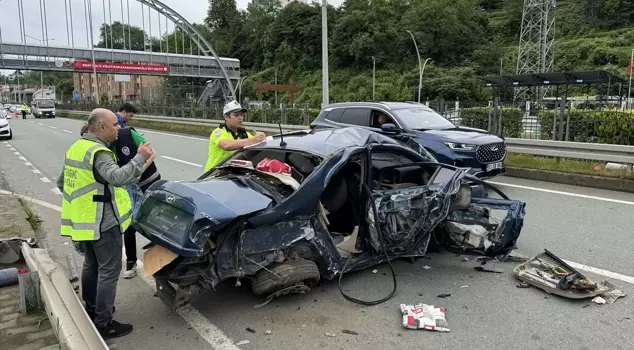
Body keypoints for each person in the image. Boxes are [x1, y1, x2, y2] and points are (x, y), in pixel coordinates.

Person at [56, 108, 156, 339]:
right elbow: (118, 177)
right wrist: (140, 157)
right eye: (114, 124)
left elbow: (62, 183)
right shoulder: (99, 152)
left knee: (91, 265)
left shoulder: (77, 147)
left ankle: (91, 310)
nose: (119, 128)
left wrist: (84, 202)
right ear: (101, 127)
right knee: (109, 271)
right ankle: (104, 322)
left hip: (84, 220)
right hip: (103, 222)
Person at [112, 126, 162, 279]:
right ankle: (131, 261)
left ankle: (161, 261)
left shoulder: (128, 134)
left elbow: (152, 153)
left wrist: (139, 170)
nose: (116, 129)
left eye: (116, 125)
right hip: (127, 187)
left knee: (155, 220)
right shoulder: (104, 146)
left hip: (148, 182)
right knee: (129, 223)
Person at [204, 101, 266, 172]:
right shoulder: (218, 132)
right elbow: (226, 145)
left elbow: (255, 144)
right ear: (226, 117)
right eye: (236, 115)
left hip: (231, 172)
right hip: (214, 173)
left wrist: (260, 138)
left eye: (242, 115)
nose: (240, 118)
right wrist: (253, 140)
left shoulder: (244, 133)